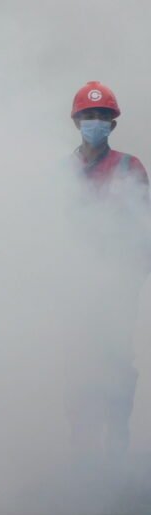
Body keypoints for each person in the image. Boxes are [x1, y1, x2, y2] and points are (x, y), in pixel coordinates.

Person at [67, 81, 149, 460]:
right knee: (78, 362)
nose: (95, 122)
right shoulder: (63, 172)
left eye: (102, 116)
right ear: (76, 121)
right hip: (73, 286)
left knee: (115, 361)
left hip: (116, 283)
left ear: (112, 125)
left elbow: (142, 225)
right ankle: (82, 452)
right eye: (89, 116)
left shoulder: (129, 167)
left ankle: (115, 446)